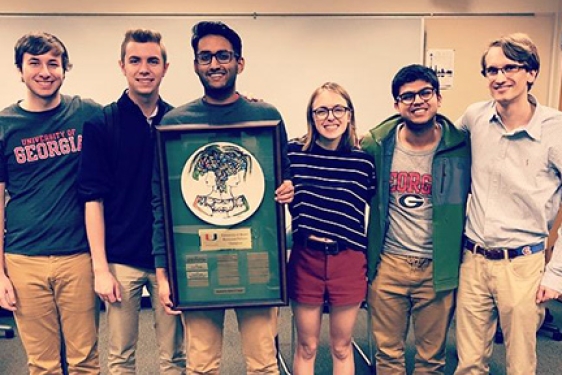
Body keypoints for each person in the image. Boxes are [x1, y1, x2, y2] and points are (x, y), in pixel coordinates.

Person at [152, 21, 294, 375]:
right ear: (196, 64)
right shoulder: (175, 122)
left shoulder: (265, 116)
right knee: (200, 365)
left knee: (263, 363)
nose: (214, 64)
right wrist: (164, 271)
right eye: (205, 57)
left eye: (223, 56)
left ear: (239, 62)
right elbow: (162, 202)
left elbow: (285, 176)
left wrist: (289, 188)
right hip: (196, 259)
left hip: (256, 255)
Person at [78, 29, 186, 374]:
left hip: (168, 260)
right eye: (135, 60)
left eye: (152, 60)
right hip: (120, 261)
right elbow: (92, 199)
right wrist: (100, 269)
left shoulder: (178, 123)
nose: (144, 68)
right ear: (122, 66)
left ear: (165, 68)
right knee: (121, 357)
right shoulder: (101, 124)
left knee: (175, 357)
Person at [454, 33, 562, 375]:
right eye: (491, 70)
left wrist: (556, 273)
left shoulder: (555, 129)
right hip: (473, 260)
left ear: (531, 73)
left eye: (510, 68)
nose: (499, 78)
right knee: (469, 362)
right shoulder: (474, 118)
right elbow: (438, 149)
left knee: (520, 365)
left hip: (523, 265)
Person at [0, 32, 101, 374]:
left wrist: (235, 101)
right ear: (20, 70)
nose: (45, 71)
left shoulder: (84, 112)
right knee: (42, 365)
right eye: (35, 63)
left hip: (77, 257)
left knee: (85, 361)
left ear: (63, 69)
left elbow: (138, 114)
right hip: (23, 260)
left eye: (53, 63)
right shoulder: (4, 126)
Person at [361, 64, 471, 374]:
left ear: (438, 97)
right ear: (397, 105)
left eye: (425, 92)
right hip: (388, 266)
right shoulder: (376, 145)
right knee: (388, 355)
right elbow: (330, 147)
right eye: (407, 96)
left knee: (431, 359)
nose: (417, 101)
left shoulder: (461, 148)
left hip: (437, 269)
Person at [287, 82, 375, 375]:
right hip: (305, 258)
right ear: (311, 117)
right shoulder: (292, 155)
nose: (330, 117)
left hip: (348, 259)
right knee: (307, 346)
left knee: (341, 346)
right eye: (321, 110)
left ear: (349, 115)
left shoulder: (363, 162)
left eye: (338, 109)